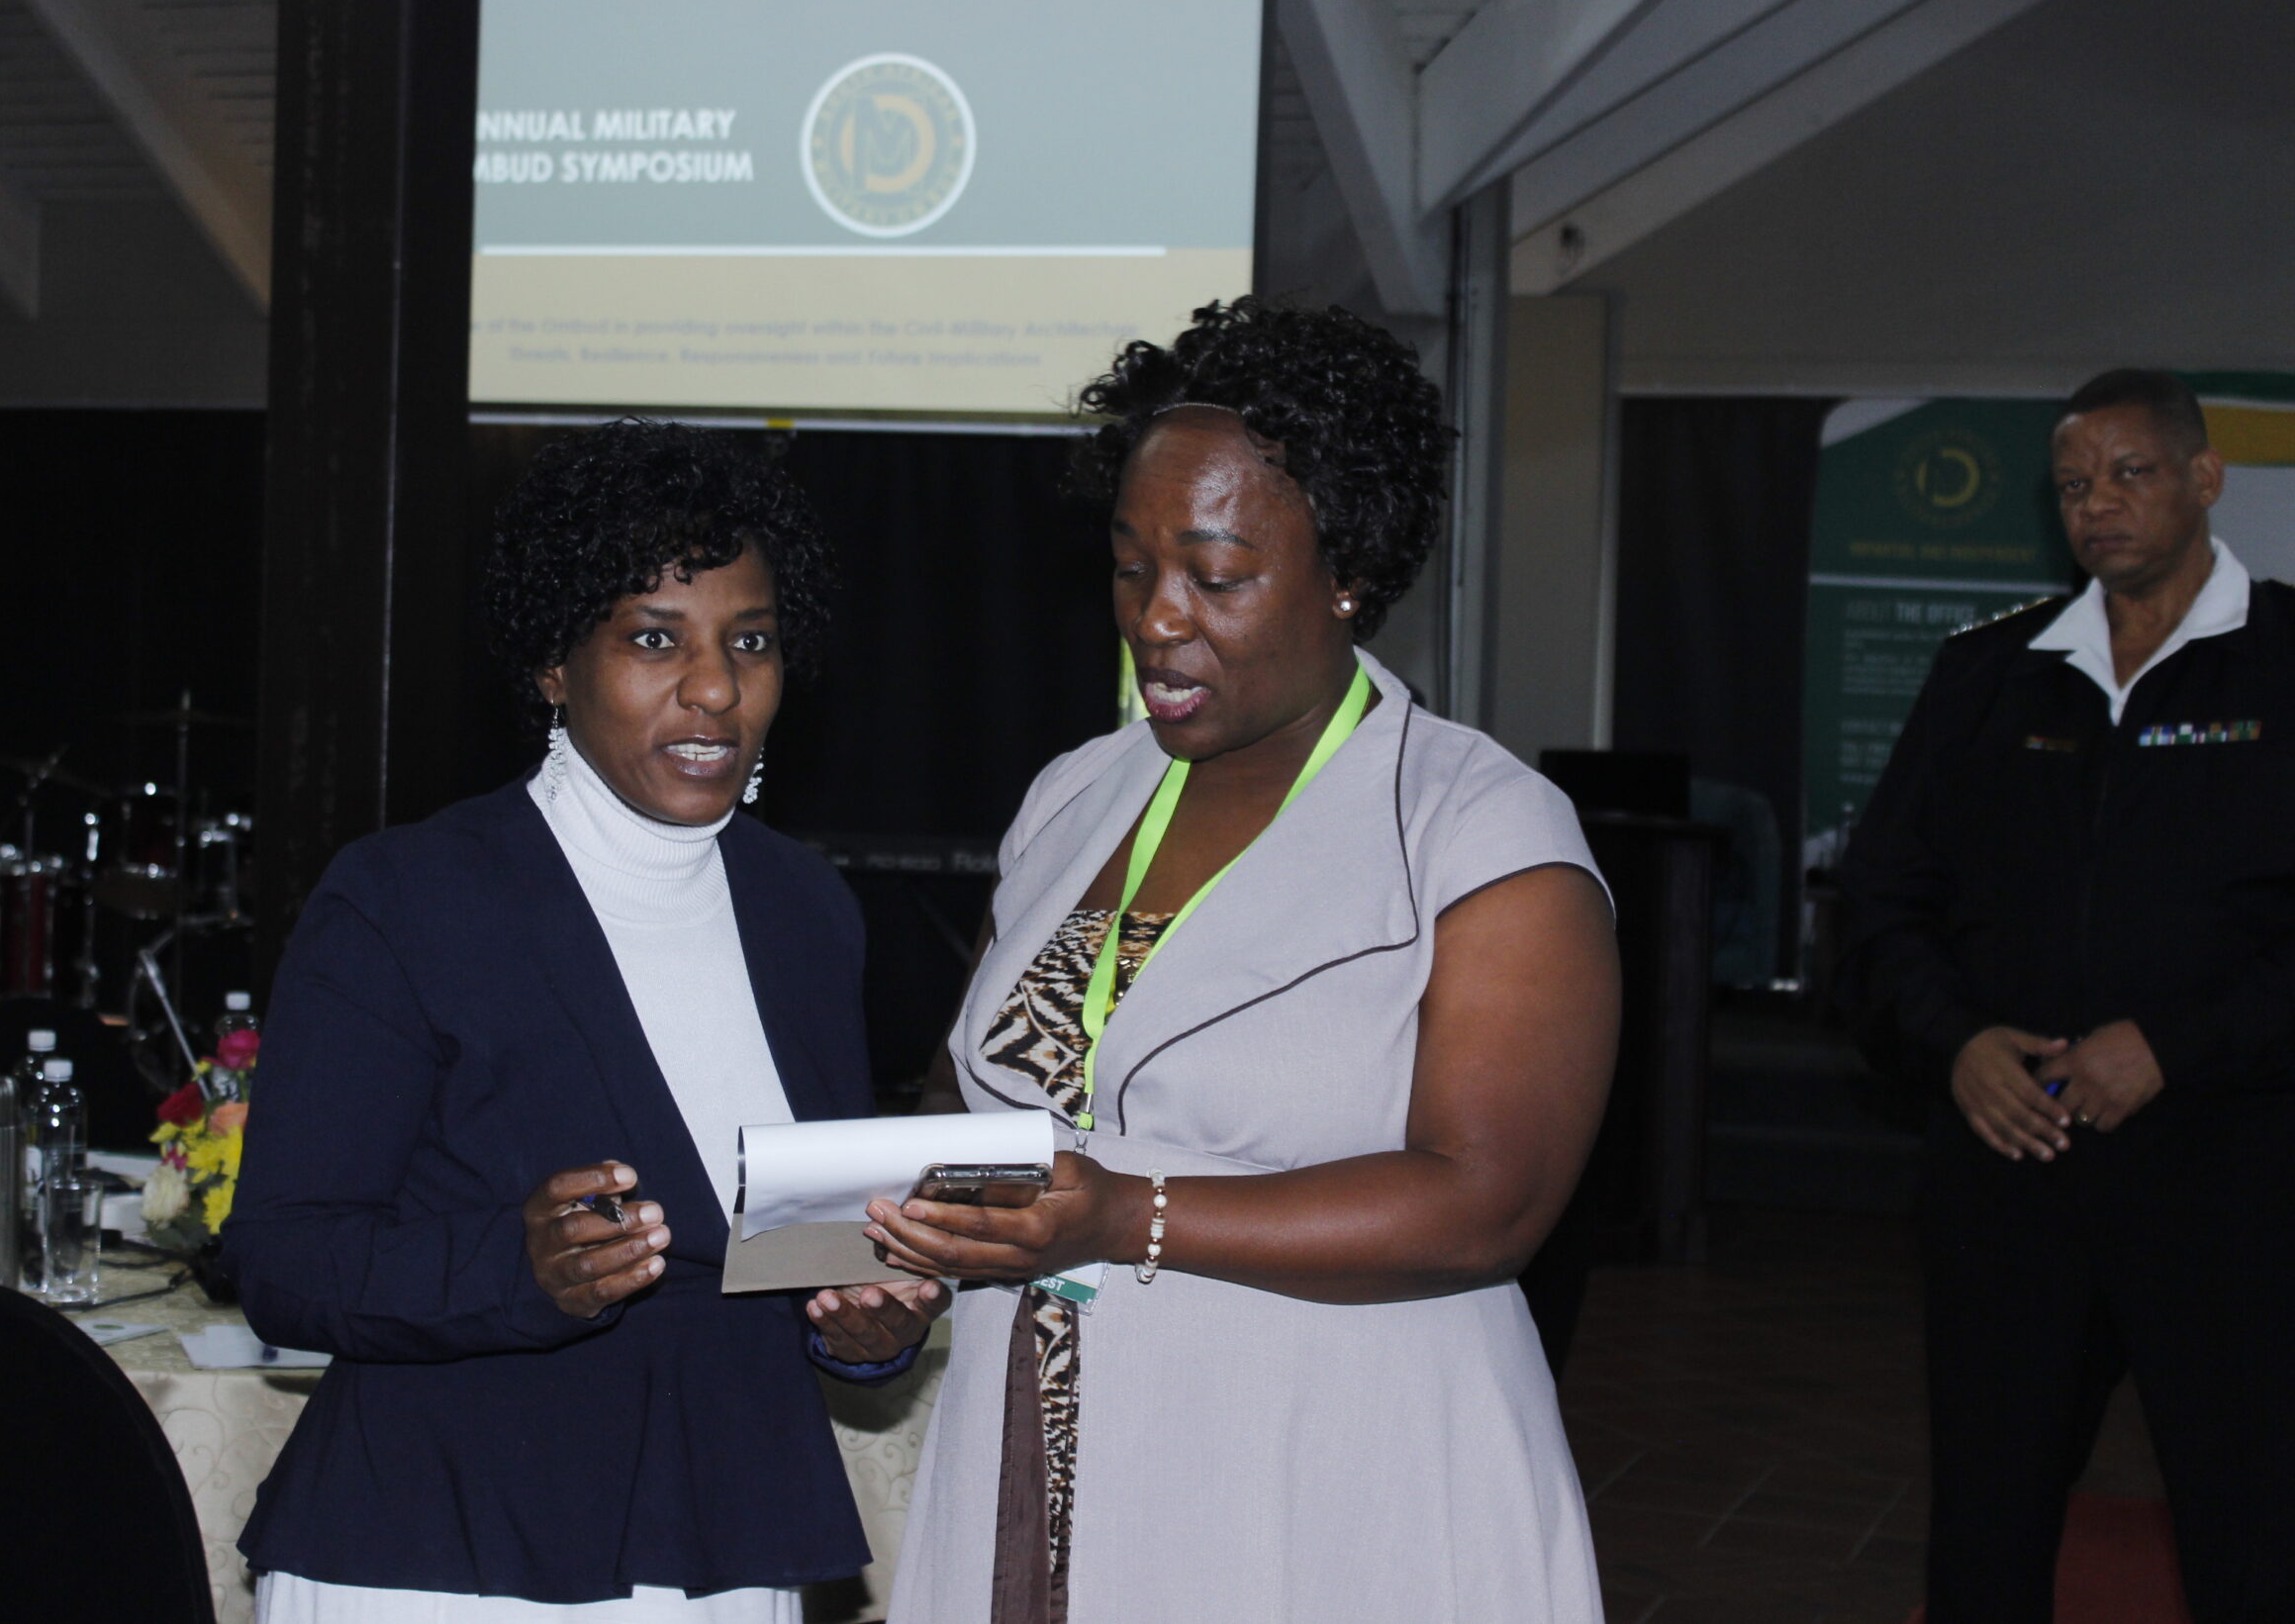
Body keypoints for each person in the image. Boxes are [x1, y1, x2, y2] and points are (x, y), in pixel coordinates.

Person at [873, 300, 1620, 1624]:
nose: (1157, 619)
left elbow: (1489, 1199)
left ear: (1348, 572)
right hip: (1034, 1448)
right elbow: (967, 1093)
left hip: (1325, 1472)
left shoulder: (1477, 830)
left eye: (1215, 577)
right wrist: (893, 1255)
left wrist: (1128, 1215)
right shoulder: (1075, 794)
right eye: (1130, 566)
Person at [225, 420, 948, 1623]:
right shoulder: (409, 897)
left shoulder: (804, 910)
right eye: (654, 639)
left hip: (727, 1540)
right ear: (553, 666)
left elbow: (803, 1254)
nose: (714, 687)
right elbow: (282, 1261)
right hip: (443, 1552)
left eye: (750, 641)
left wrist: (865, 1325)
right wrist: (515, 1269)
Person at [1841, 369, 2295, 1623]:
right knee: (1985, 1526)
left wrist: (2175, 1047)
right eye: (2074, 484)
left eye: (2130, 473)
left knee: (2253, 1528)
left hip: (2232, 1185)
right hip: (2012, 1184)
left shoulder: (2284, 663)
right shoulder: (1989, 673)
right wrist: (1953, 1044)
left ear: (2204, 479)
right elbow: (1879, 906)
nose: (2098, 504)